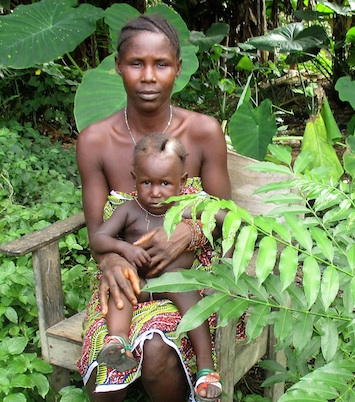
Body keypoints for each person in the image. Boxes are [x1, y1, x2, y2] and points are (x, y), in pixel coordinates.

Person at [76, 13, 235, 402]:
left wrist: (189, 232)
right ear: (118, 67)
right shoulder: (95, 141)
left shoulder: (203, 132)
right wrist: (112, 261)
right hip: (128, 278)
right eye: (136, 63)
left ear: (178, 69)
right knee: (106, 374)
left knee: (157, 353)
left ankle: (200, 374)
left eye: (161, 64)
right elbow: (98, 234)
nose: (149, 76)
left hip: (193, 277)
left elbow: (228, 216)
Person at [89, 133, 220, 401]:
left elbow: (225, 218)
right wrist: (125, 249)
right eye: (146, 182)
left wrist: (192, 216)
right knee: (121, 289)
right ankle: (118, 342)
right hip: (140, 281)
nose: (155, 192)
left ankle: (206, 369)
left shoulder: (188, 206)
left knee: (192, 300)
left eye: (165, 183)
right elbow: (99, 238)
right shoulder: (128, 210)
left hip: (173, 282)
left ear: (182, 181)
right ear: (134, 176)